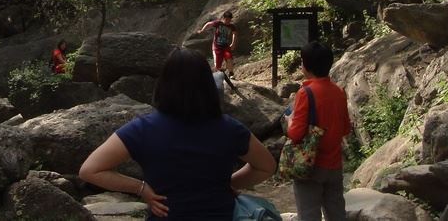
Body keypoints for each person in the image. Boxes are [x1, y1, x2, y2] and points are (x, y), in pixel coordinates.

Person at [79, 48, 276, 219]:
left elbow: (90, 170)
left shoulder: (142, 129)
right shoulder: (230, 128)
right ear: (208, 86)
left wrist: (140, 188)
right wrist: (227, 183)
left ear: (164, 84)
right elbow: (267, 166)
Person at [286, 41, 351, 221]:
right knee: (336, 213)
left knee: (309, 215)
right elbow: (346, 128)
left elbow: (295, 133)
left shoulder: (305, 92)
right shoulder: (338, 92)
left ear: (306, 66)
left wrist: (289, 120)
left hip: (311, 165)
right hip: (334, 165)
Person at [197, 11, 238, 75]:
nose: (228, 21)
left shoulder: (232, 26)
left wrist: (233, 43)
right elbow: (208, 24)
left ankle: (231, 74)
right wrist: (202, 30)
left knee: (229, 58)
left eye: (229, 20)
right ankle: (217, 74)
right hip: (217, 46)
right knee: (217, 63)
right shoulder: (218, 23)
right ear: (224, 18)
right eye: (226, 19)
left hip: (225, 46)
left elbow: (234, 34)